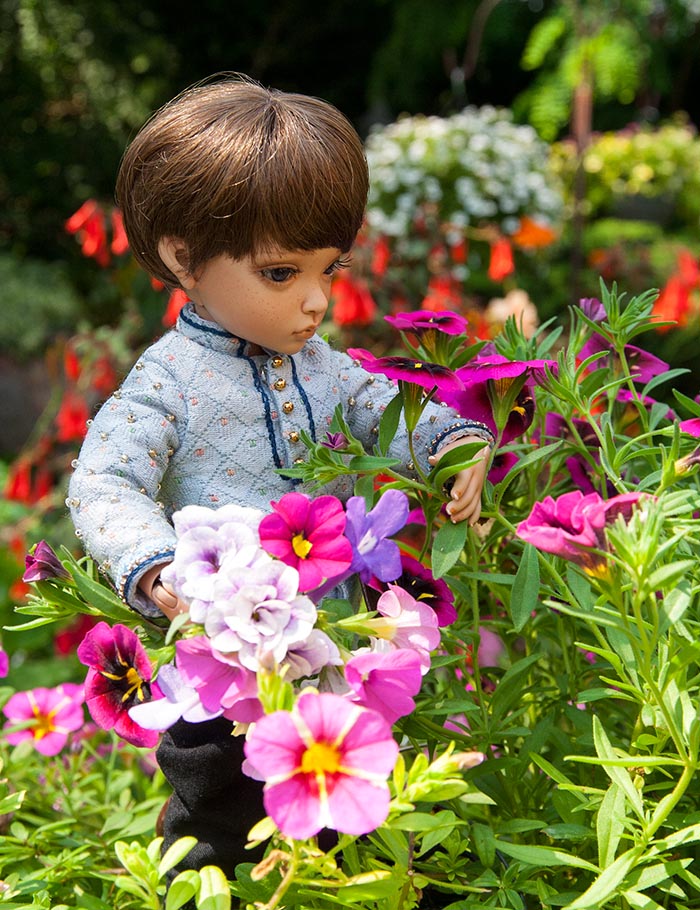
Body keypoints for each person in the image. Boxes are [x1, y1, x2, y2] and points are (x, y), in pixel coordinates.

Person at [67, 73, 494, 879]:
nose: (315, 302)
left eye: (326, 270)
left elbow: (382, 409)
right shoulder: (168, 383)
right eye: (280, 273)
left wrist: (450, 443)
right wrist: (155, 568)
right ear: (181, 256)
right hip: (224, 675)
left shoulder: (324, 367)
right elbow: (104, 482)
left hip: (335, 658)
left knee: (356, 832)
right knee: (214, 837)